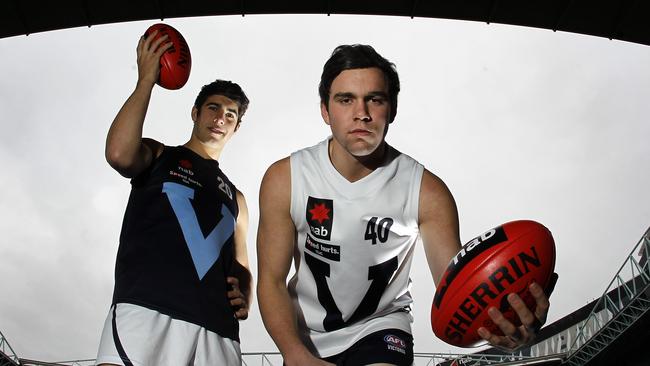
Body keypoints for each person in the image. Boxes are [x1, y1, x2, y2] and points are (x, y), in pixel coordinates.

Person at [256, 44, 551, 366]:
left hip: (381, 329)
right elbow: (271, 279)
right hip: (306, 336)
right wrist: (294, 354)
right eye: (346, 99)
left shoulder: (426, 191)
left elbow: (454, 289)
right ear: (325, 111)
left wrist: (504, 321)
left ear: (392, 109)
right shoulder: (286, 179)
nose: (362, 113)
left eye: (375, 99)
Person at [95, 30, 252, 365]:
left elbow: (242, 265)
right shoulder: (159, 155)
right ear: (195, 113)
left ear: (236, 127)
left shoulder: (236, 197)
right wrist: (146, 81)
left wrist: (245, 294)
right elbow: (119, 153)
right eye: (213, 108)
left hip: (217, 330)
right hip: (147, 310)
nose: (220, 118)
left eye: (230, 114)